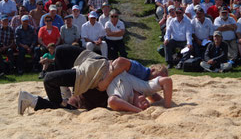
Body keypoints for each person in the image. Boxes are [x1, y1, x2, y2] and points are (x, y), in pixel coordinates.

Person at [18, 47, 170, 115]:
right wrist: (167, 103)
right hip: (98, 62)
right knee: (60, 52)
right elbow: (122, 62)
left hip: (95, 73)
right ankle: (62, 95)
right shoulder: (143, 74)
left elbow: (154, 94)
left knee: (49, 80)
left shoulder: (142, 84)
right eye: (158, 74)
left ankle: (40, 101)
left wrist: (163, 104)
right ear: (153, 69)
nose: (158, 78)